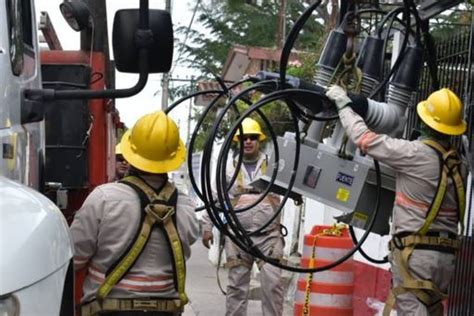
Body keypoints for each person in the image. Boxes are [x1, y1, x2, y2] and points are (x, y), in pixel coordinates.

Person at [325, 85, 466, 316]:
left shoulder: (414, 154)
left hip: (415, 256)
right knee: (431, 309)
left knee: (412, 310)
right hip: (445, 259)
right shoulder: (459, 163)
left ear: (425, 121)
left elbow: (365, 139)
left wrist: (344, 106)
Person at [71, 111, 199, 316]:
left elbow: (74, 257)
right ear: (172, 157)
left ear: (131, 154)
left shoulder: (103, 198)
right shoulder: (185, 206)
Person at [201, 117, 285, 316]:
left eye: (253, 138)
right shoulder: (228, 167)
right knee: (237, 287)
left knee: (273, 285)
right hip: (238, 238)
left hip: (269, 237)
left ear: (260, 141)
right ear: (239, 141)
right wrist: (207, 227)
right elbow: (215, 198)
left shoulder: (274, 166)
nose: (248, 141)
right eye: (244, 138)